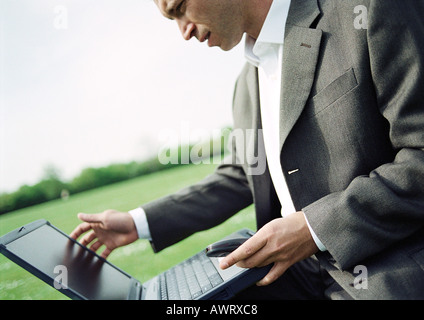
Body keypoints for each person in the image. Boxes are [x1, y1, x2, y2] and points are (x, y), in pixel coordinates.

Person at [70, 0, 424, 299]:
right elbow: (242, 174)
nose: (184, 32)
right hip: (295, 276)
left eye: (179, 9)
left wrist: (314, 229)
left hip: (388, 270)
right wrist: (136, 223)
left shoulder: (366, 11)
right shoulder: (246, 83)